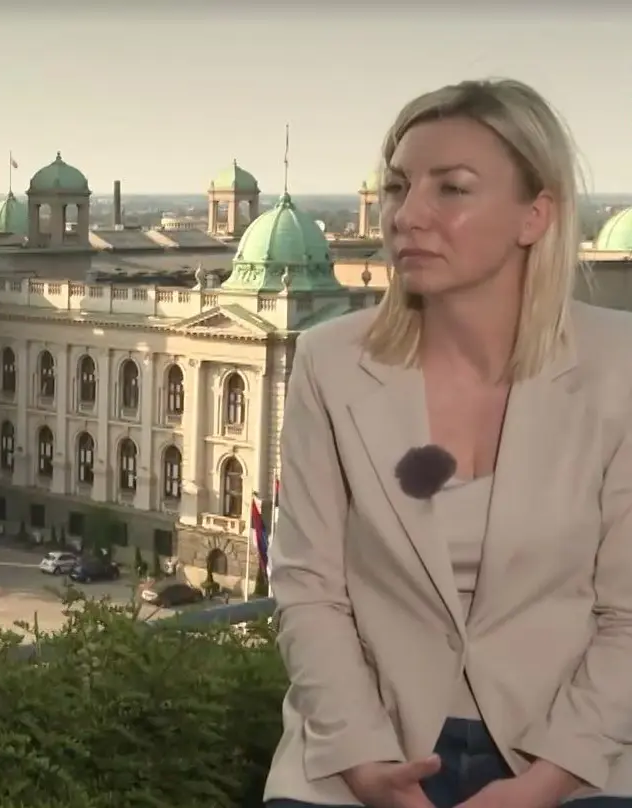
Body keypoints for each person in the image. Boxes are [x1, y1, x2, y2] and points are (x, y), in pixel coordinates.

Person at [263, 79, 632, 808]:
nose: (407, 215)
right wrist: (364, 762)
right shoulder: (330, 362)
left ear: (535, 215)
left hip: (575, 755)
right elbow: (308, 591)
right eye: (397, 187)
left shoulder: (619, 365)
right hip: (362, 752)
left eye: (452, 188)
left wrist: (548, 780)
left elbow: (628, 615)